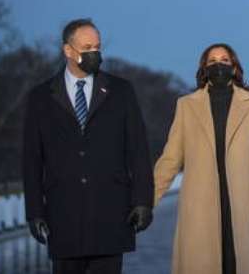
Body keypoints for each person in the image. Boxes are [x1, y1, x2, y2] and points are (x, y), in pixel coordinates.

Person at [22, 19, 154, 274]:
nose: (94, 53)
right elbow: (32, 159)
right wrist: (34, 211)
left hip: (111, 214)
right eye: (86, 47)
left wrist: (142, 201)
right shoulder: (40, 98)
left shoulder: (121, 91)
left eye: (98, 46)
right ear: (68, 50)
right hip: (64, 216)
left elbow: (138, 150)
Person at [153, 43, 249, 274]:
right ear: (204, 68)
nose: (219, 64)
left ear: (234, 66)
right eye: (212, 61)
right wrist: (147, 201)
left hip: (240, 204)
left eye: (224, 60)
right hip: (199, 205)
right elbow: (171, 159)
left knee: (238, 263)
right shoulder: (186, 105)